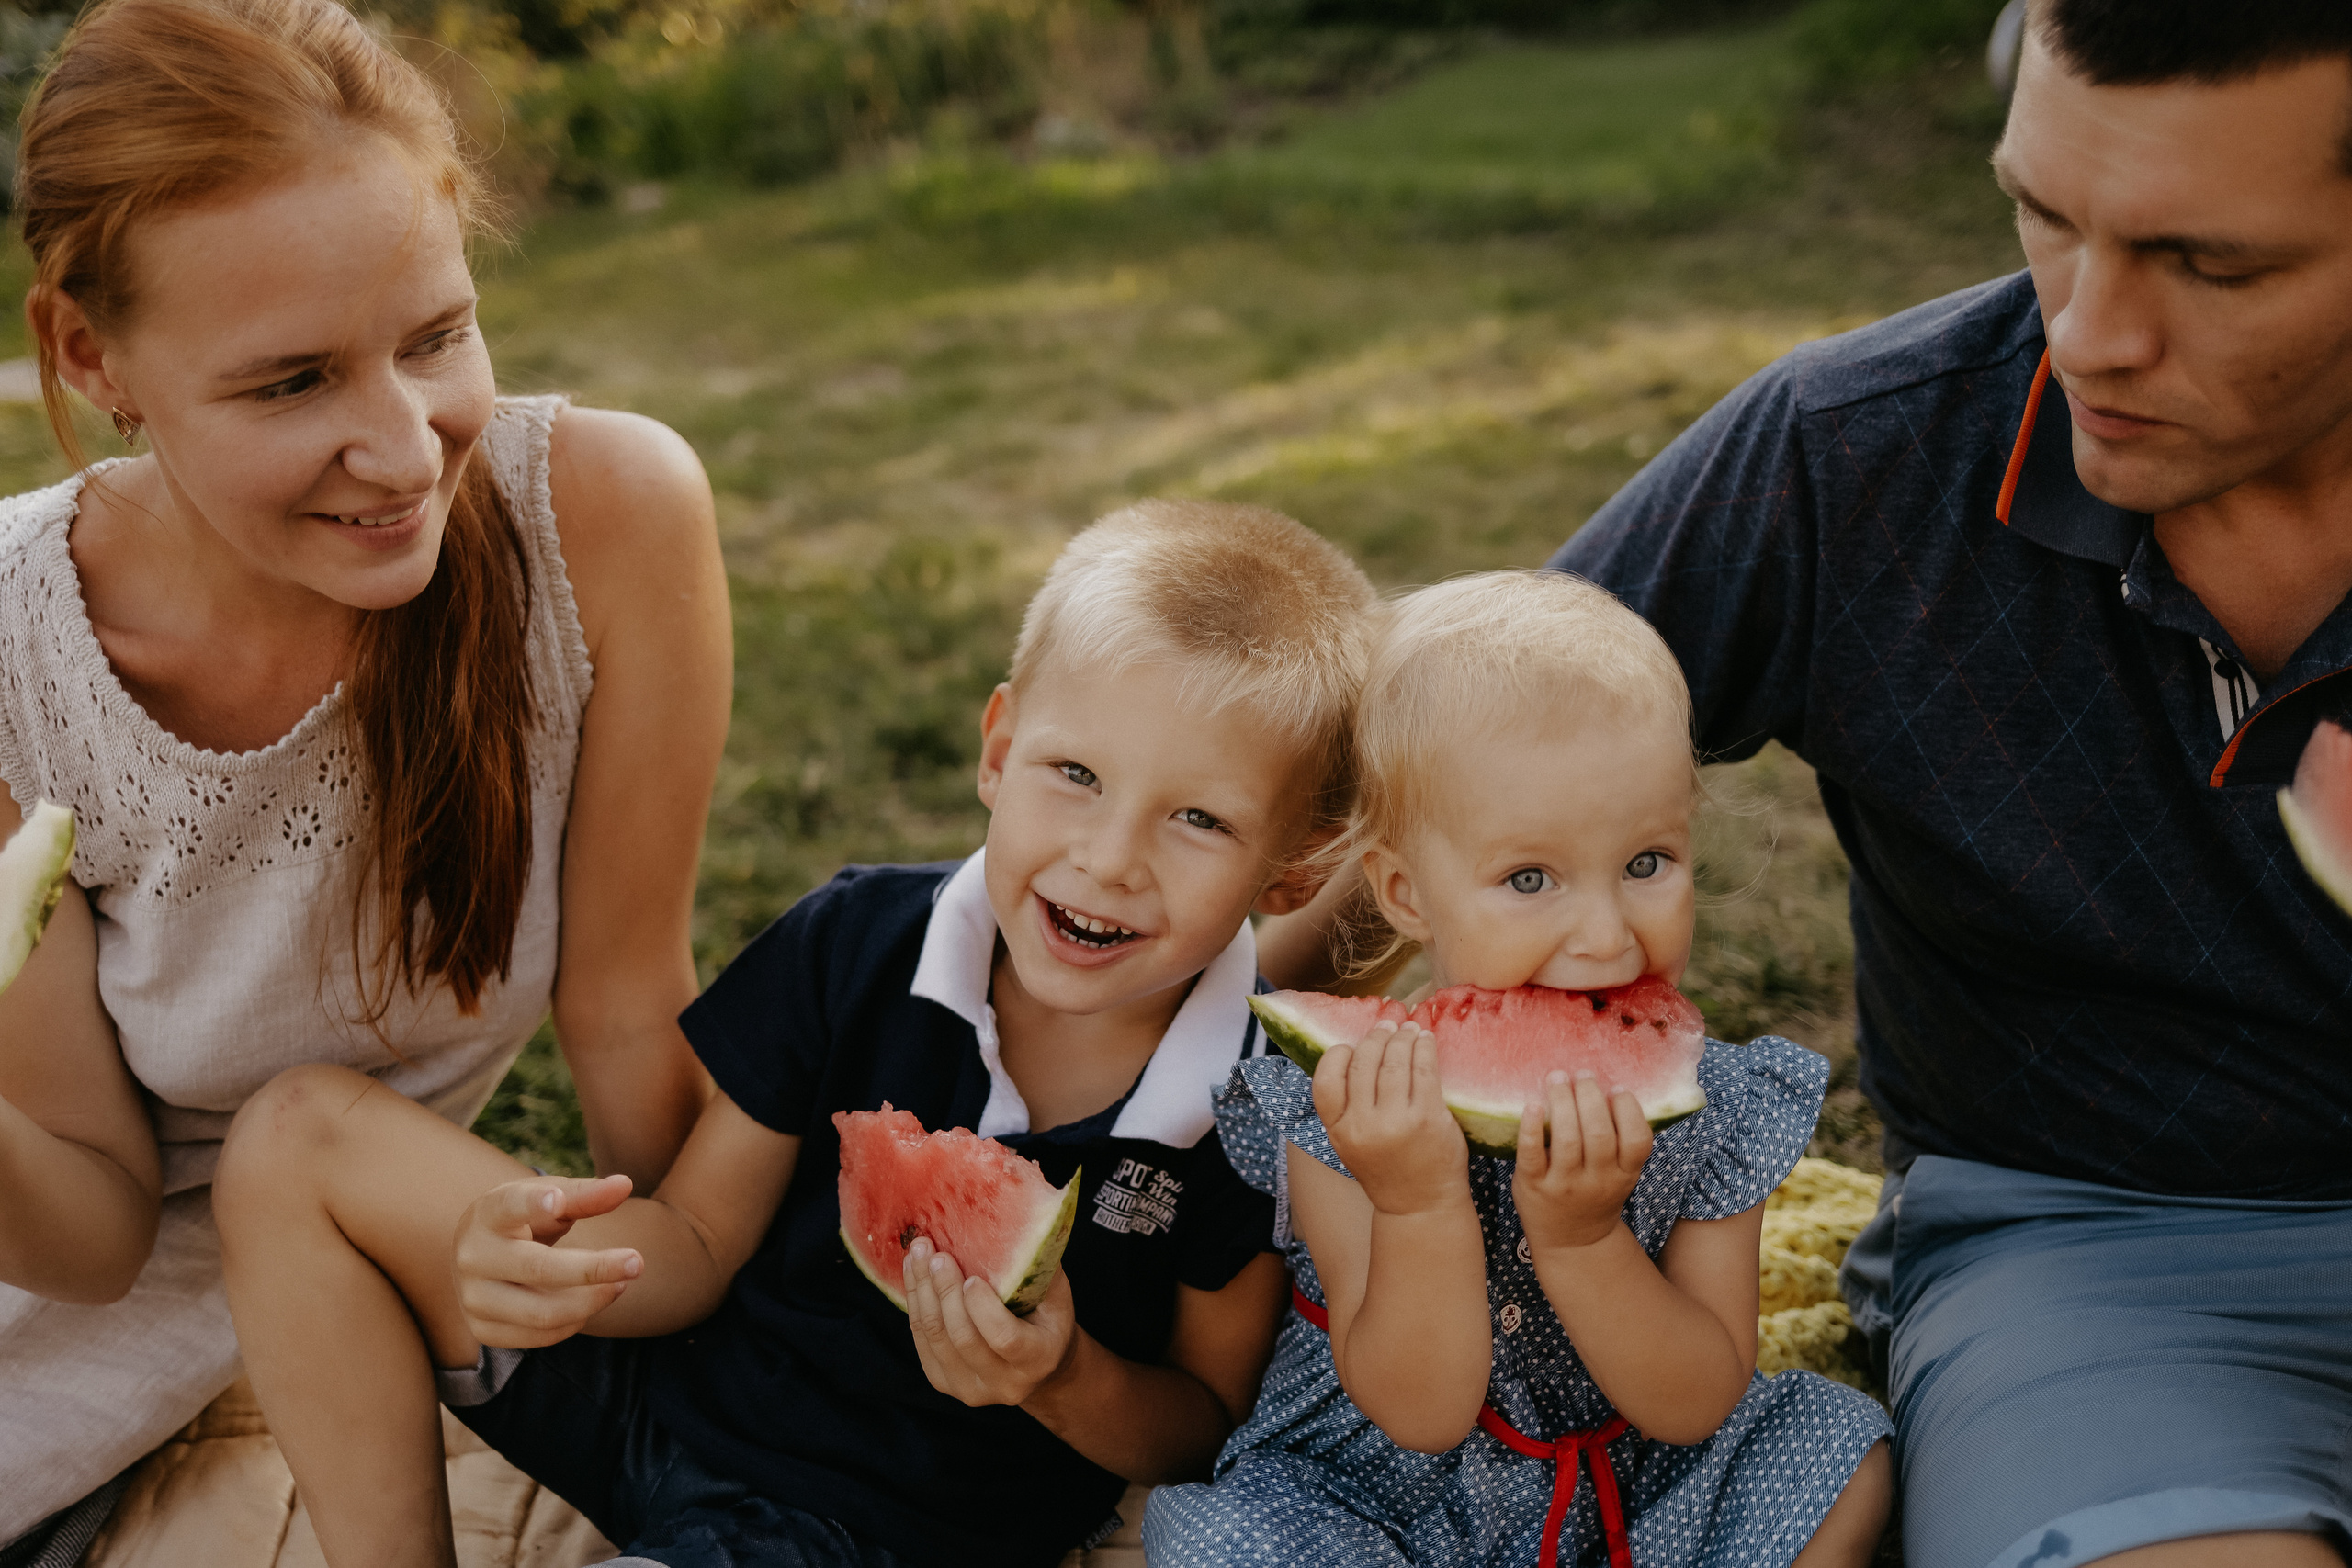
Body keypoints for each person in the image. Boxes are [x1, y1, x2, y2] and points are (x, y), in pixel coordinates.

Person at [1257, 4, 2352, 1565]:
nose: (2090, 334)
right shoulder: (1853, 457)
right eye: (2045, 215)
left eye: (2212, 264)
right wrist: (1132, 1065)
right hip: (2093, 1247)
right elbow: (1450, 773)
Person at [212, 500, 1375, 1568]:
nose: (1108, 857)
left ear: (1292, 873)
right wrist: (540, 1262)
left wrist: (1058, 1377)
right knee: (296, 1137)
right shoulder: (858, 938)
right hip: (670, 1394)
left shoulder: (1254, 1104)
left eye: (1197, 819)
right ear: (997, 750)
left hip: (875, 1525)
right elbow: (697, 1243)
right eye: (1075, 773)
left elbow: (1200, 1425)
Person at [0, 0, 728, 1551]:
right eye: (291, 383)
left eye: (435, 337)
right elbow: (91, 1227)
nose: (403, 451)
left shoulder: (607, 521)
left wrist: (762, 1355)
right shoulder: (14, 652)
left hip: (323, 1294)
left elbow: (625, 1004)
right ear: (88, 352)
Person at [1148, 570, 1894, 1568]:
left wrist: (1586, 1242)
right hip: (1379, 1506)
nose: (1604, 934)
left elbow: (1698, 1400)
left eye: (1646, 863)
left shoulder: (1717, 1107)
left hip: (1633, 1488)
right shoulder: (1342, 1106)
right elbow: (1417, 1410)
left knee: (1840, 1452)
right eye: (1530, 879)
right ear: (1406, 894)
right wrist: (1415, 1201)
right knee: (1229, 1541)